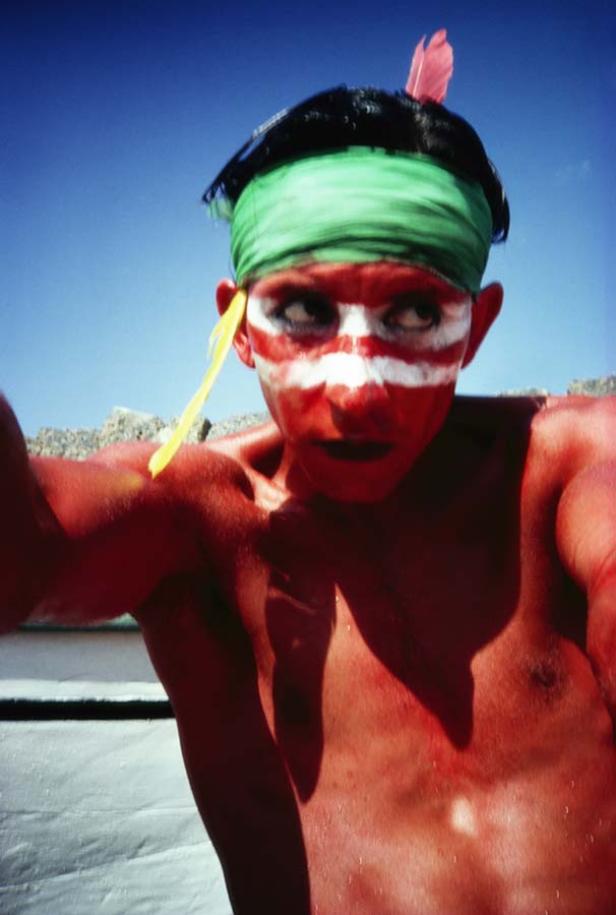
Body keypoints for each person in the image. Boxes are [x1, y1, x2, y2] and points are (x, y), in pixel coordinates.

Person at [2, 31, 616, 915]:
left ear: (476, 328)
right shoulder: (204, 521)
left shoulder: (566, 466)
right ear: (239, 326)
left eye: (413, 311)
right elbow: (21, 553)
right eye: (302, 310)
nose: (358, 390)